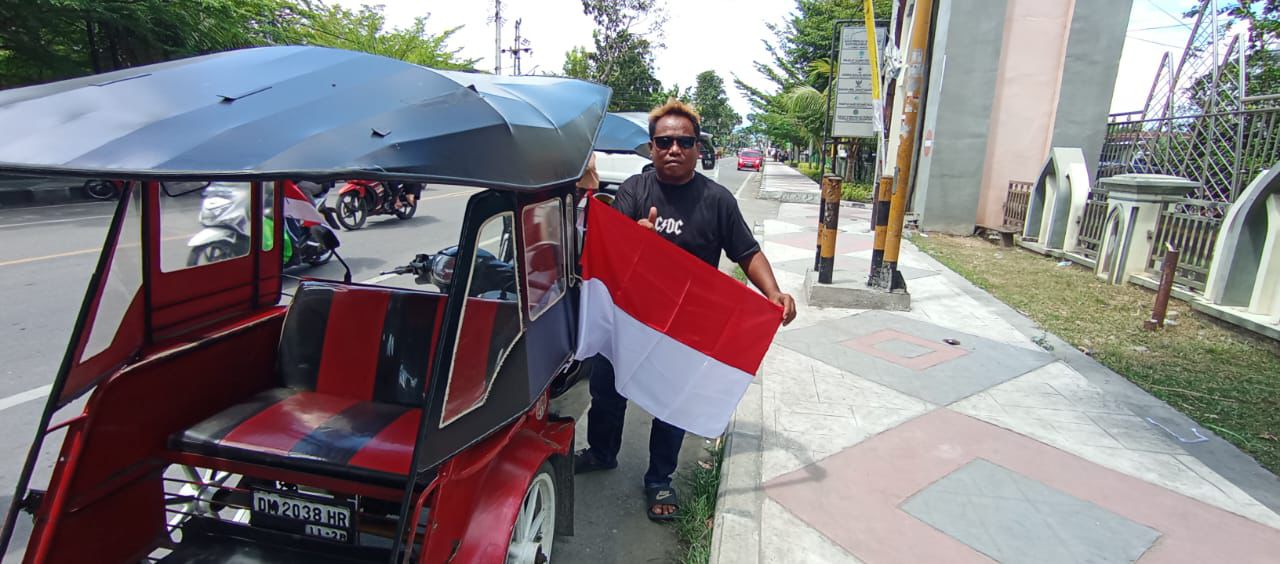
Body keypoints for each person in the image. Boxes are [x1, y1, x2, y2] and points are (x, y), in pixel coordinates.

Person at [575, 99, 796, 522]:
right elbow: (609, 245)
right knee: (606, 389)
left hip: (683, 327)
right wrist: (635, 236)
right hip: (630, 317)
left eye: (684, 141)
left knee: (671, 403)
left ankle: (660, 478)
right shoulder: (634, 191)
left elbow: (746, 251)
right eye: (664, 142)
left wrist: (773, 293)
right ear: (652, 147)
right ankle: (601, 452)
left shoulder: (717, 200)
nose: (673, 149)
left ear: (697, 147)